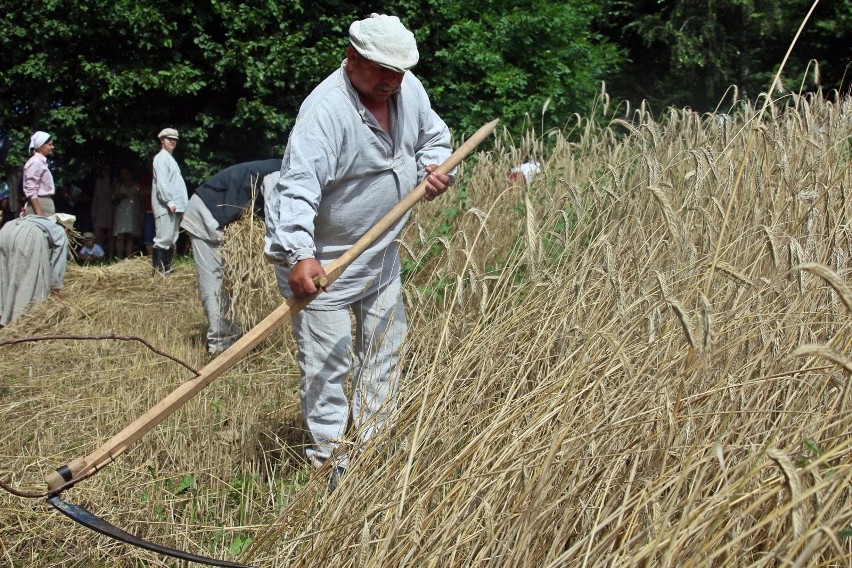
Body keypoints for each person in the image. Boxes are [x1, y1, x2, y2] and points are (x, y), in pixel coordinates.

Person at [263, 13, 454, 486]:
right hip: (326, 262)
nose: (392, 80)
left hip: (382, 253)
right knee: (329, 365)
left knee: (385, 351)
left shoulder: (408, 91)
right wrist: (299, 254)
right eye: (382, 70)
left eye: (400, 71)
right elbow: (297, 187)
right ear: (352, 59)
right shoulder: (325, 112)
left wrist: (436, 167)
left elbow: (435, 138)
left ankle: (373, 448)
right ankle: (330, 462)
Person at [181, 159, 281, 354]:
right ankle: (220, 345)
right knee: (214, 284)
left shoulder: (278, 170)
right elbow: (275, 219)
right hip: (206, 217)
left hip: (223, 222)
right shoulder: (277, 174)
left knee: (227, 285)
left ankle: (233, 335)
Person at [0, 212, 75, 327]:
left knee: (5, 276)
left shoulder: (37, 221)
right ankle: (20, 322)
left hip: (5, 230)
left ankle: (3, 316)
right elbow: (59, 262)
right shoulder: (60, 231)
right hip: (29, 236)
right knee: (29, 281)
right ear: (66, 229)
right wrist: (56, 287)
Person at [151, 128, 188, 273]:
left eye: (174, 139)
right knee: (163, 238)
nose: (172, 141)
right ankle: (160, 272)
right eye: (169, 138)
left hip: (174, 206)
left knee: (172, 238)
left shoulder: (170, 158)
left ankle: (167, 269)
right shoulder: (161, 158)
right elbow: (162, 182)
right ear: (162, 140)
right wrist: (169, 202)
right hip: (166, 206)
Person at [23, 131, 56, 217]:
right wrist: (39, 214)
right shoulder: (36, 162)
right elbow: (31, 189)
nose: (52, 147)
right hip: (39, 205)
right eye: (49, 144)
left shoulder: (40, 162)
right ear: (41, 146)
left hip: (43, 204)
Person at [113, 165, 142, 258]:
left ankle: (128, 258)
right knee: (120, 236)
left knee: (130, 236)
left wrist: (142, 213)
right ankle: (119, 257)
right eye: (122, 174)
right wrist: (119, 196)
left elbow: (141, 199)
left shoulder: (137, 184)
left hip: (133, 212)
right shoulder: (119, 185)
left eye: (126, 173)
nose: (124, 176)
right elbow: (113, 199)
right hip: (121, 212)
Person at [91, 165, 115, 258]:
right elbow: (95, 197)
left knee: (111, 235)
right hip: (100, 207)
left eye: (108, 170)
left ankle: (111, 256)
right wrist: (93, 212)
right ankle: (100, 255)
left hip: (110, 207)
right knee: (98, 234)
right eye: (104, 170)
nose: (106, 172)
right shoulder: (98, 181)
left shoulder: (114, 181)